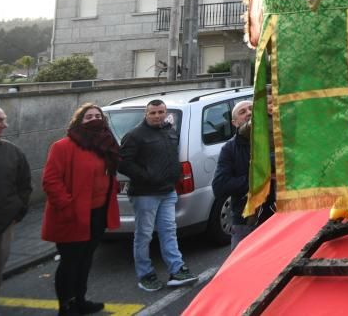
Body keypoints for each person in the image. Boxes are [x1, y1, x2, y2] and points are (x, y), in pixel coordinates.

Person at [41, 104, 121, 315]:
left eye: (98, 116)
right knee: (70, 263)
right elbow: (51, 181)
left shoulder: (104, 145)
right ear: (79, 121)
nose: (94, 119)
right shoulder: (63, 146)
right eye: (88, 117)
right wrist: (67, 207)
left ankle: (80, 300)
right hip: (73, 216)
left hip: (97, 213)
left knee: (85, 260)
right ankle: (66, 306)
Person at [118, 99, 197, 291]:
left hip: (167, 192)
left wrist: (174, 178)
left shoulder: (169, 131)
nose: (157, 116)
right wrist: (147, 176)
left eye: (160, 112)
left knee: (169, 231)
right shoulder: (134, 135)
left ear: (165, 112)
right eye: (152, 113)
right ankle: (145, 274)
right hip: (145, 194)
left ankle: (177, 269)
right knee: (144, 235)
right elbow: (123, 163)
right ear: (146, 114)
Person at [213, 100, 274, 250]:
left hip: (277, 217)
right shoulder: (229, 149)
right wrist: (258, 180)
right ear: (234, 123)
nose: (248, 113)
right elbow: (220, 186)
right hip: (245, 221)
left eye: (251, 109)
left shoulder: (275, 139)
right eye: (242, 112)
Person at [0, 105, 31, 315]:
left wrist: (17, 213)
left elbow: (24, 185)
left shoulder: (12, 152)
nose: (4, 125)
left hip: (1, 228)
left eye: (4, 119)